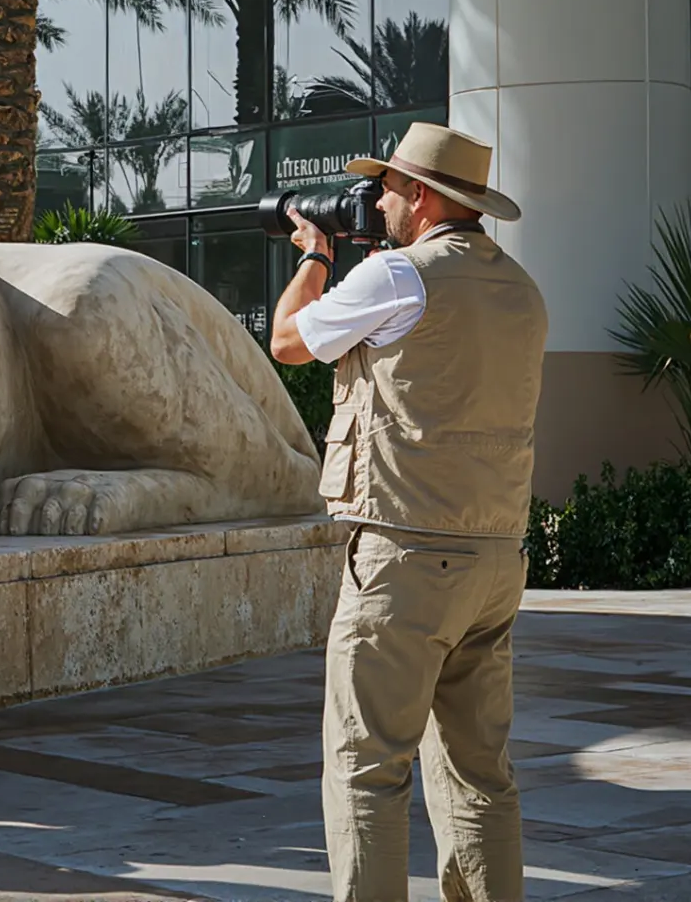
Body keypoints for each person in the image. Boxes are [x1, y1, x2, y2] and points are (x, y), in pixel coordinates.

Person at [268, 123, 547, 902]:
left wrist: (316, 258)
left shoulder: (399, 276)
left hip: (405, 558)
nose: (380, 201)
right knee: (480, 773)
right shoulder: (523, 289)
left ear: (422, 197)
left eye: (388, 187)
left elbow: (288, 340)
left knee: (367, 767)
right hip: (496, 558)